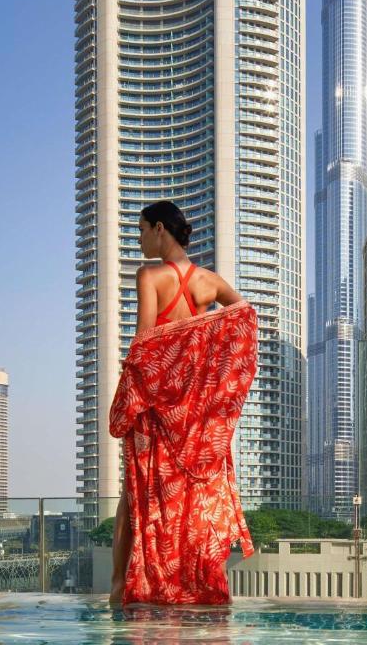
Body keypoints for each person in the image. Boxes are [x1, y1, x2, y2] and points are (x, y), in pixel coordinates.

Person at [109, 201, 254, 605]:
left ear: (160, 228)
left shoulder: (150, 276)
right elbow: (245, 316)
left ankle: (120, 586)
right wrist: (203, 353)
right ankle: (192, 586)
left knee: (135, 496)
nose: (139, 239)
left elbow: (145, 345)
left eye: (141, 230)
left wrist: (128, 398)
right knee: (195, 501)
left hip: (156, 411)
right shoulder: (210, 281)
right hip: (195, 417)